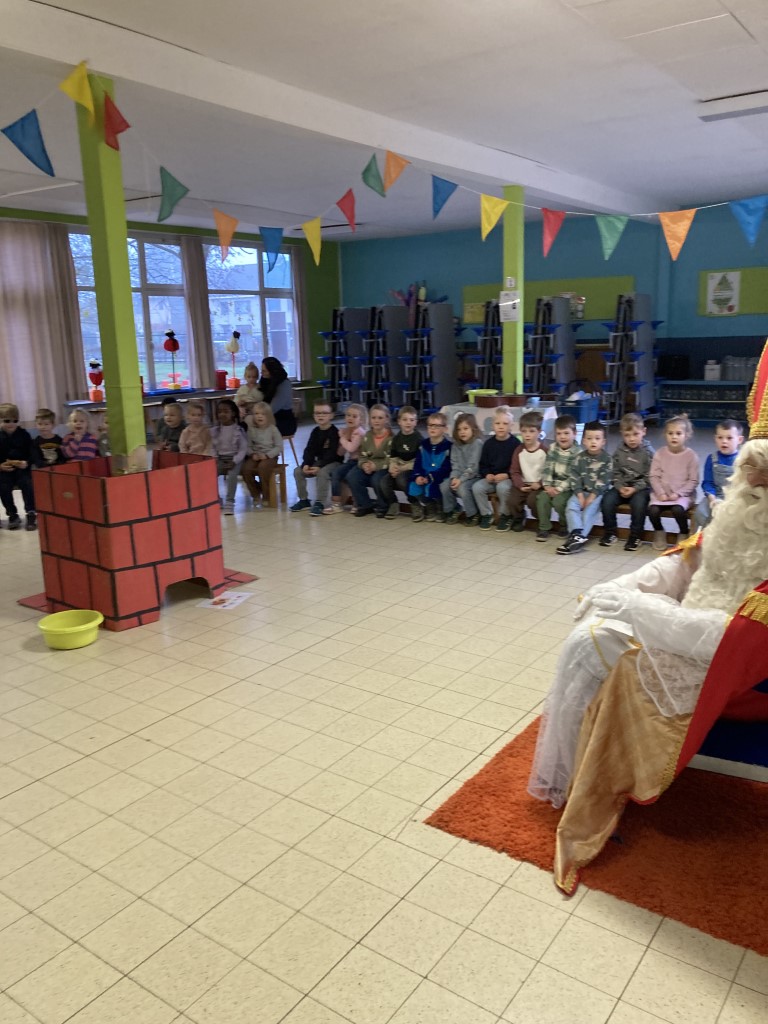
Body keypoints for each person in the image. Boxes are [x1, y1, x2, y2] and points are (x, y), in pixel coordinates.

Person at [528, 436, 768, 893]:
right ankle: (576, 779)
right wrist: (624, 587)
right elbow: (686, 565)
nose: (752, 479)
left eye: (765, 473)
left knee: (601, 655)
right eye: (748, 467)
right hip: (688, 631)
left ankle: (596, 786)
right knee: (588, 639)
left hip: (735, 673)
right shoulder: (737, 515)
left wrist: (637, 610)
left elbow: (733, 639)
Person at [599, 412, 655, 551]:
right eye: (627, 435)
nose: (631, 439)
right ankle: (610, 533)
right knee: (607, 500)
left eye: (636, 434)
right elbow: (614, 471)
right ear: (622, 434)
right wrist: (619, 486)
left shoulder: (649, 452)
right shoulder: (619, 451)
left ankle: (635, 536)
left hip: (641, 488)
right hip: (622, 486)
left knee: (639, 504)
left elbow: (651, 476)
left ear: (644, 432)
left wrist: (635, 489)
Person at [557, 420, 611, 554]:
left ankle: (577, 538)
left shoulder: (607, 459)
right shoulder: (579, 458)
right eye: (589, 438)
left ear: (603, 442)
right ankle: (576, 534)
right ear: (584, 441)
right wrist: (579, 494)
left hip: (598, 494)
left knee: (588, 512)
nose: (593, 442)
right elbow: (574, 476)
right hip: (581, 491)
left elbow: (604, 480)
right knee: (571, 507)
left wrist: (592, 497)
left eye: (597, 438)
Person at [648, 414, 700, 549]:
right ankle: (659, 531)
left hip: (683, 495)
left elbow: (693, 480)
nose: (674, 437)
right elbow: (654, 476)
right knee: (653, 511)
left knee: (678, 510)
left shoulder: (691, 456)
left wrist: (678, 493)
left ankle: (683, 532)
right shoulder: (660, 453)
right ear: (665, 434)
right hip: (662, 494)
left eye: (678, 433)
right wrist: (660, 493)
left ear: (686, 435)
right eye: (670, 433)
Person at [471, 406, 519, 531]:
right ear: (492, 425)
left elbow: (517, 467)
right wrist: (487, 474)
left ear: (511, 426)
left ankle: (505, 515)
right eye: (497, 423)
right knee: (477, 487)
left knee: (502, 488)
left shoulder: (515, 444)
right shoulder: (488, 444)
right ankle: (486, 514)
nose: (501, 427)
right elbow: (483, 464)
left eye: (505, 423)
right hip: (492, 479)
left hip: (508, 478)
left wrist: (507, 475)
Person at [290, 400, 342, 515]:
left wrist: (319, 466)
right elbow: (309, 450)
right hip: (319, 462)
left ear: (331, 415)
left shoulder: (334, 432)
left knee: (322, 473)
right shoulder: (315, 431)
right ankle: (304, 500)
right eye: (317, 413)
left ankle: (320, 502)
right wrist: (306, 464)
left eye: (324, 413)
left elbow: (333, 454)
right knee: (298, 471)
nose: (320, 416)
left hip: (334, 462)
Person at [536, 414, 580, 542]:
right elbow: (548, 468)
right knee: (542, 499)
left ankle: (564, 525)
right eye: (559, 433)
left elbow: (574, 476)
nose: (562, 437)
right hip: (552, 484)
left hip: (568, 487)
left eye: (566, 433)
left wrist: (559, 489)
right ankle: (544, 527)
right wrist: (547, 485)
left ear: (574, 434)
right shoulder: (553, 448)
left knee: (559, 502)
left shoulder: (578, 453)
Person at [373, 405, 421, 520]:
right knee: (384, 481)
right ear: (399, 421)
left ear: (416, 422)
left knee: (401, 480)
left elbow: (419, 462)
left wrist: (402, 469)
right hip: (399, 467)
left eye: (411, 420)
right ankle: (393, 503)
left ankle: (415, 503)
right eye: (405, 419)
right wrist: (393, 467)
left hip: (412, 469)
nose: (408, 423)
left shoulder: (419, 439)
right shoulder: (396, 439)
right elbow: (393, 457)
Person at [694, 418, 743, 528]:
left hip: (736, 497)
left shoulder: (743, 459)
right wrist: (713, 500)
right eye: (720, 437)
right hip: (715, 495)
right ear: (715, 438)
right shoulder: (711, 459)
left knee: (735, 518)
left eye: (729, 438)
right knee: (701, 513)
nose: (724, 441)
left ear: (739, 440)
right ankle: (702, 537)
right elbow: (708, 483)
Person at [346, 404, 393, 518]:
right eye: (374, 418)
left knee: (376, 479)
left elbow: (391, 459)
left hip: (384, 467)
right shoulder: (367, 436)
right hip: (368, 466)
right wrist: (364, 464)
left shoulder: (391, 438)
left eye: (380, 418)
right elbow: (362, 455)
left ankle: (383, 506)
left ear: (387, 419)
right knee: (352, 476)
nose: (376, 421)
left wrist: (375, 466)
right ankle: (365, 504)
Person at [507, 410, 548, 533]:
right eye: (524, 431)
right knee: (512, 500)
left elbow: (548, 472)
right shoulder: (518, 450)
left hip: (538, 486)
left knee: (533, 501)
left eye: (531, 431)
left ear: (539, 432)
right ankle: (519, 518)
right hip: (523, 484)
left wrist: (540, 484)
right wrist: (520, 485)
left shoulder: (545, 451)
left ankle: (541, 521)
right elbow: (514, 471)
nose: (527, 435)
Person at [440, 412, 483, 525]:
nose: (462, 432)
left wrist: (461, 480)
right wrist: (454, 477)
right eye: (459, 429)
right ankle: (453, 509)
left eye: (465, 428)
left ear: (473, 429)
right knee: (444, 486)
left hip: (475, 476)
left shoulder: (477, 444)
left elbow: (473, 468)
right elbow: (455, 465)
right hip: (460, 476)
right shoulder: (455, 445)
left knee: (462, 488)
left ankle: (473, 514)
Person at [408, 412, 452, 522]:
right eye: (430, 425)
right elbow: (418, 463)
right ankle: (429, 506)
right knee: (413, 486)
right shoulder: (423, 445)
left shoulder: (448, 447)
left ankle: (441, 508)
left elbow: (447, 468)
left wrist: (432, 476)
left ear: (445, 429)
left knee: (432, 486)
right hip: (425, 475)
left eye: (437, 426)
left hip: (440, 476)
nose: (433, 428)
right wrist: (418, 476)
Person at [0, 403, 36, 531]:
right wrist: (0, 466)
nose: (11, 424)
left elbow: (32, 452)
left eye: (15, 421)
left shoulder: (24, 435)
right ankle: (12, 514)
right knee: (3, 486)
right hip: (5, 470)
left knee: (27, 483)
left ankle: (31, 512)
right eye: (7, 421)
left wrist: (27, 462)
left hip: (22, 469)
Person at [325, 404, 368, 514]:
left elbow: (351, 448)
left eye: (354, 416)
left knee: (351, 476)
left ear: (361, 419)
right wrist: (344, 439)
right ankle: (336, 503)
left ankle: (357, 502)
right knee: (335, 473)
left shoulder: (359, 432)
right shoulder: (349, 431)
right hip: (351, 461)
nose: (350, 418)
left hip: (361, 462)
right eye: (348, 415)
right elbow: (340, 452)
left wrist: (342, 438)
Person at [241, 401, 283, 506]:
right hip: (255, 455)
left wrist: (267, 455)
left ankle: (266, 494)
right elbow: (248, 446)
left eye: (263, 414)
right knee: (245, 469)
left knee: (263, 468)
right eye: (256, 414)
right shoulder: (251, 430)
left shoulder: (273, 429)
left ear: (268, 416)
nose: (259, 416)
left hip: (270, 456)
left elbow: (279, 447)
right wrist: (252, 454)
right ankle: (255, 493)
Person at [211, 399, 247, 515]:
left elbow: (243, 449)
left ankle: (230, 501)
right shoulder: (215, 431)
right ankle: (216, 498)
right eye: (219, 412)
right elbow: (212, 446)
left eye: (226, 411)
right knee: (210, 474)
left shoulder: (238, 430)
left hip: (235, 459)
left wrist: (234, 461)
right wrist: (215, 457)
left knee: (232, 476)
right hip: (220, 458)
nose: (222, 414)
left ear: (233, 413)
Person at [259, 357, 297, 437]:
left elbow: (273, 408)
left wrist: (256, 412)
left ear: (272, 371)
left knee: (256, 426)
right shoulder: (265, 381)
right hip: (270, 417)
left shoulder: (284, 384)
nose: (261, 373)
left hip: (285, 422)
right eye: (261, 370)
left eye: (264, 371)